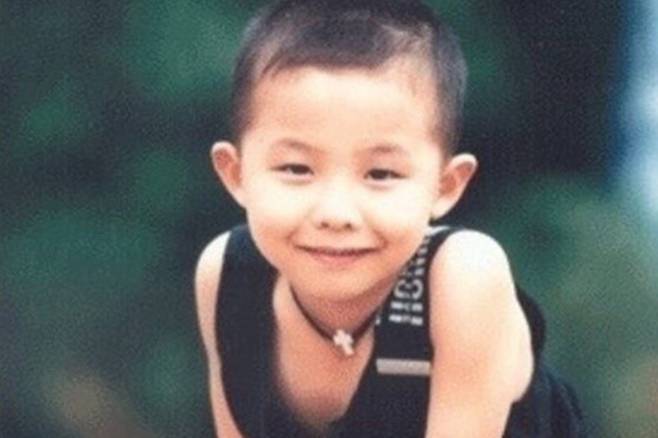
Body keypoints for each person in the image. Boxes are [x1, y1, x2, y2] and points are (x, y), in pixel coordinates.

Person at [195, 0, 585, 436]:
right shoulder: (227, 277)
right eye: (296, 168)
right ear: (236, 174)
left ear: (446, 185)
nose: (336, 214)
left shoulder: (463, 278)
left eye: (380, 174)